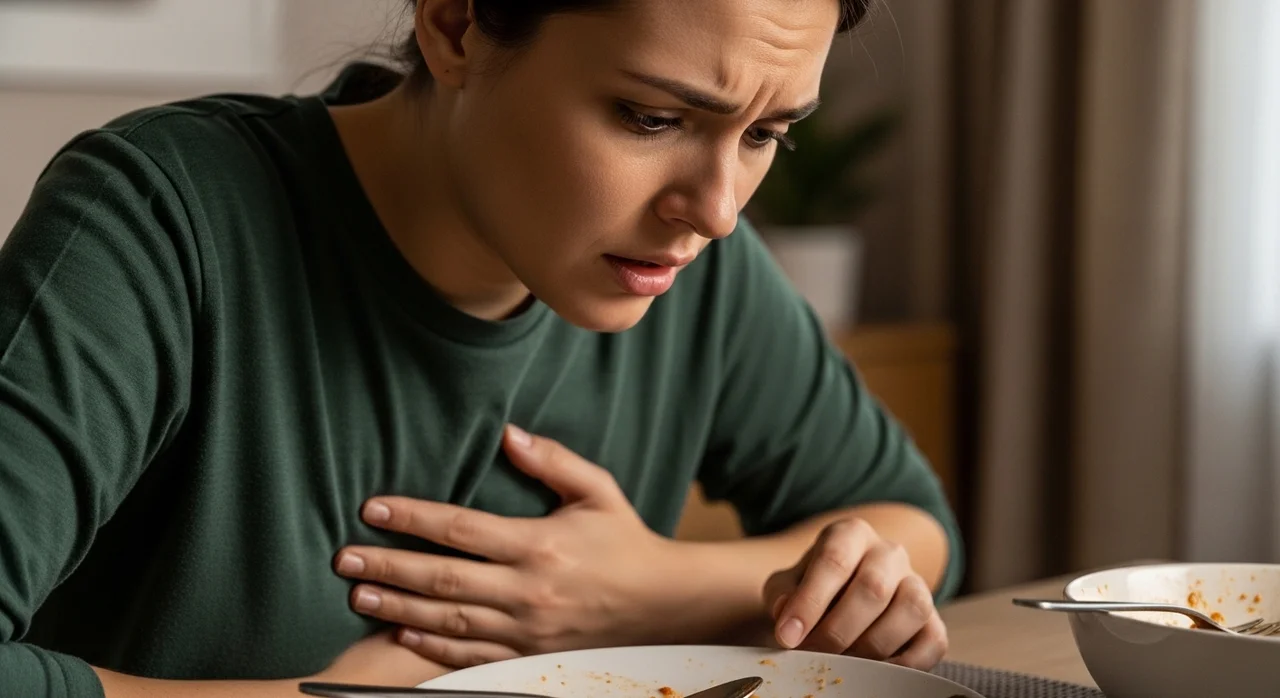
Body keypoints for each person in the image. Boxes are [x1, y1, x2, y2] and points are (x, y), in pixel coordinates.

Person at [0, 1, 964, 696]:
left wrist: (646, 593)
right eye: (653, 118)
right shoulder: (158, 222)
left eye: (768, 136)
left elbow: (914, 528)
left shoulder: (693, 272)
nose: (714, 210)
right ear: (455, 25)